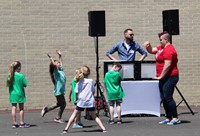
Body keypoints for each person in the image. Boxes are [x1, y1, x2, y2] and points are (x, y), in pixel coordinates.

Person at [143, 31, 181, 125]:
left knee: (168, 97)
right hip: (163, 77)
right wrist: (148, 46)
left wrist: (161, 76)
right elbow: (152, 50)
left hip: (171, 76)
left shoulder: (169, 49)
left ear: (166, 40)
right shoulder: (162, 48)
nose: (160, 42)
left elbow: (167, 65)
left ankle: (175, 118)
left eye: (161, 40)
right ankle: (168, 117)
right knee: (163, 98)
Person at [62, 65, 106, 134]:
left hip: (81, 101)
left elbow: (76, 92)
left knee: (74, 114)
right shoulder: (90, 81)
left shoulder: (78, 82)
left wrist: (76, 98)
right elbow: (93, 90)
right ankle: (103, 129)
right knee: (94, 116)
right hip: (89, 100)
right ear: (88, 73)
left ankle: (66, 129)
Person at [41, 50, 66, 123]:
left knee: (59, 104)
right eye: (57, 63)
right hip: (58, 92)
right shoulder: (56, 72)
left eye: (58, 63)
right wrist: (51, 58)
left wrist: (60, 56)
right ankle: (57, 118)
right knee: (63, 104)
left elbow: (60, 62)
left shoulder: (61, 70)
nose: (59, 63)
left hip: (61, 91)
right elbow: (54, 65)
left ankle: (46, 109)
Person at [6, 61, 30, 128]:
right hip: (20, 94)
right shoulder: (21, 76)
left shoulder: (10, 75)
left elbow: (7, 84)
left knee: (13, 107)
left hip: (13, 94)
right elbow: (25, 84)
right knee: (21, 108)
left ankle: (14, 123)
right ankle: (22, 123)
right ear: (18, 67)